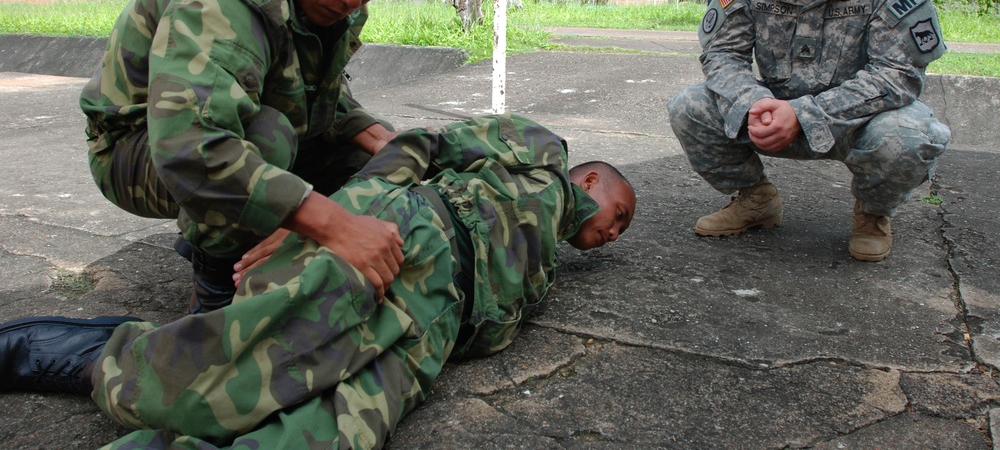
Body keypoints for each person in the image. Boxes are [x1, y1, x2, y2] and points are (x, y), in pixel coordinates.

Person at [0, 114, 636, 449]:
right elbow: (426, 144)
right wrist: (342, 219)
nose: (612, 233)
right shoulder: (542, 152)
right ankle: (84, 356)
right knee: (238, 374)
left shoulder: (545, 268)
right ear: (589, 182)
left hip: (432, 332)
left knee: (334, 436)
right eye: (619, 217)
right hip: (409, 240)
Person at [79, 0, 410, 313]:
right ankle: (217, 289)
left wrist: (362, 128)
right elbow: (192, 147)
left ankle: (257, 238)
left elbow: (310, 84)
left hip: (221, 120)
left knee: (370, 158)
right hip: (137, 146)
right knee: (268, 137)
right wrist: (336, 225)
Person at [667, 0, 950, 262]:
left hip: (859, 120)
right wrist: (752, 101)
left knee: (911, 135)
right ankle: (755, 200)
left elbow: (897, 75)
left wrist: (803, 114)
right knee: (690, 107)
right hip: (768, 112)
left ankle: (872, 214)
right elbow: (721, 52)